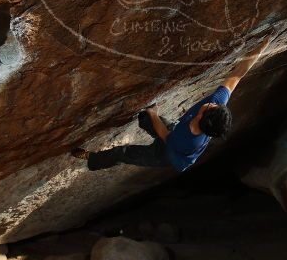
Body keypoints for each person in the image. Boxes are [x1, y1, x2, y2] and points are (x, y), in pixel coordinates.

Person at [72, 33, 274, 172]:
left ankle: (91, 159)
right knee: (144, 117)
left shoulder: (188, 138)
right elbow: (238, 75)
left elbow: (165, 135)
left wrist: (154, 113)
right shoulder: (216, 106)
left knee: (123, 153)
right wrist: (263, 46)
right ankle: (145, 119)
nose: (212, 102)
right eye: (215, 104)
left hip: (168, 155)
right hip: (174, 134)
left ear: (201, 118)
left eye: (209, 107)